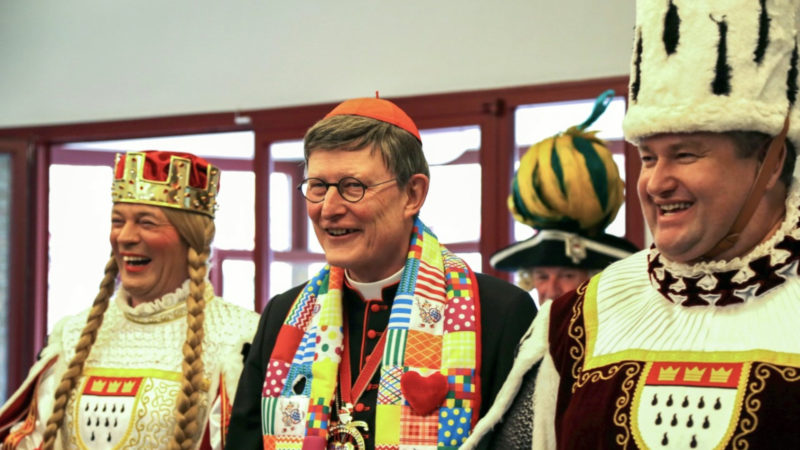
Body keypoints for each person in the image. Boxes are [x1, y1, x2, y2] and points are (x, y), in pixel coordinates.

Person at [463, 0, 800, 448]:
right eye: (647, 157)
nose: (656, 182)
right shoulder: (576, 320)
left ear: (770, 161)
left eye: (685, 153)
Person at [226, 96, 536, 450]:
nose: (328, 209)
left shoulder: (500, 312)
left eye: (352, 187)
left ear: (412, 194)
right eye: (317, 187)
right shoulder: (283, 316)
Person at [0, 151, 260, 449]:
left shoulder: (239, 338)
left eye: (146, 223)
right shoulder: (72, 334)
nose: (124, 236)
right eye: (117, 221)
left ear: (190, 239)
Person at [490, 90, 638, 307]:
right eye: (541, 276)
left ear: (595, 278)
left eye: (567, 275)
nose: (551, 290)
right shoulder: (524, 338)